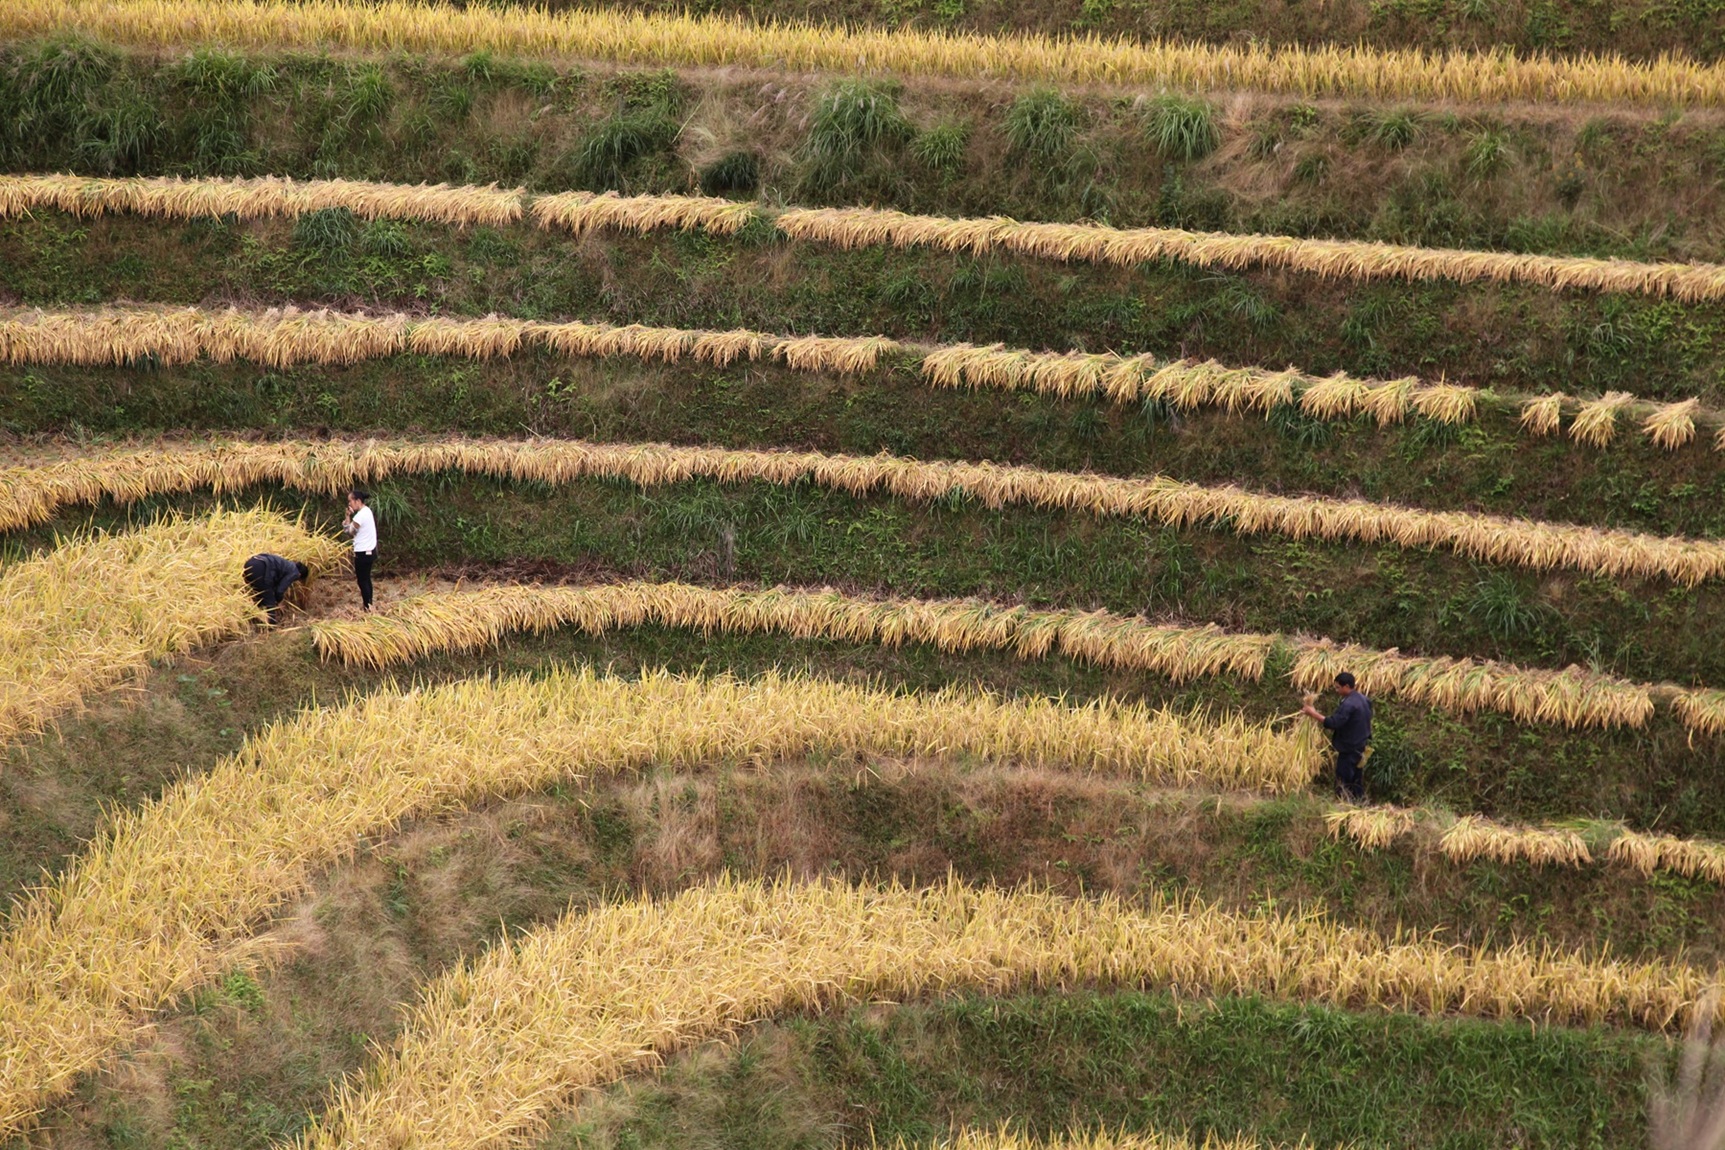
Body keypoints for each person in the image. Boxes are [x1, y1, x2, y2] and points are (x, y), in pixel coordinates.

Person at [1301, 671, 1373, 801]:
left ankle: (1342, 806)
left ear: (1346, 686)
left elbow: (1333, 723)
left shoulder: (1348, 704)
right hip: (1361, 747)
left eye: (1338, 687)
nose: (1337, 691)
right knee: (1356, 780)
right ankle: (1360, 806)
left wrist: (1313, 713)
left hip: (1349, 749)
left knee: (1343, 780)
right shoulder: (1364, 699)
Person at [243, 553, 309, 625]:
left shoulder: (288, 564)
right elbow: (279, 590)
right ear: (300, 575)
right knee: (269, 599)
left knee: (260, 595)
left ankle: (256, 620)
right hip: (260, 568)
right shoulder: (294, 572)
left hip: (251, 563)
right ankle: (272, 625)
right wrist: (278, 601)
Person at [342, 489, 377, 611]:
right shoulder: (367, 512)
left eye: (350, 501)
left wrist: (348, 518)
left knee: (362, 581)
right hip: (370, 551)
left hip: (363, 553)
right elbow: (350, 529)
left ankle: (367, 607)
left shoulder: (361, 515)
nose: (349, 504)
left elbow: (349, 531)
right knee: (366, 579)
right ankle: (369, 605)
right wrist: (348, 517)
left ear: (357, 501)